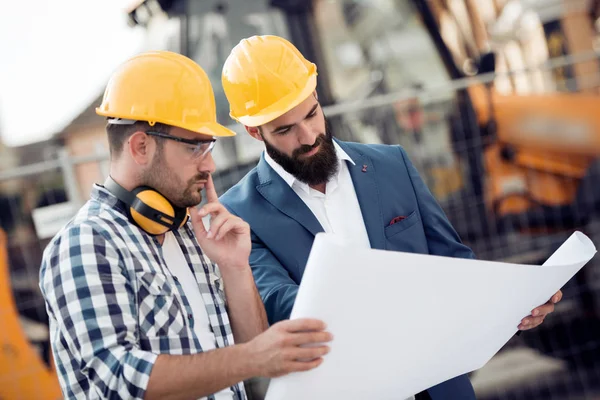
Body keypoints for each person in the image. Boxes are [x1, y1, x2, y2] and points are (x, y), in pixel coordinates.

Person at [218, 35, 563, 400]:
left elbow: (454, 263)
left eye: (311, 113)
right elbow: (280, 303)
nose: (308, 136)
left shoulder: (391, 165)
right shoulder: (240, 213)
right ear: (255, 131)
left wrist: (512, 304)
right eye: (285, 130)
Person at [39, 50, 332, 400]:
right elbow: (117, 381)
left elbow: (251, 349)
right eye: (196, 148)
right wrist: (252, 357)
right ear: (140, 146)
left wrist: (235, 267)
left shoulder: (192, 231)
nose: (209, 165)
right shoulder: (86, 243)